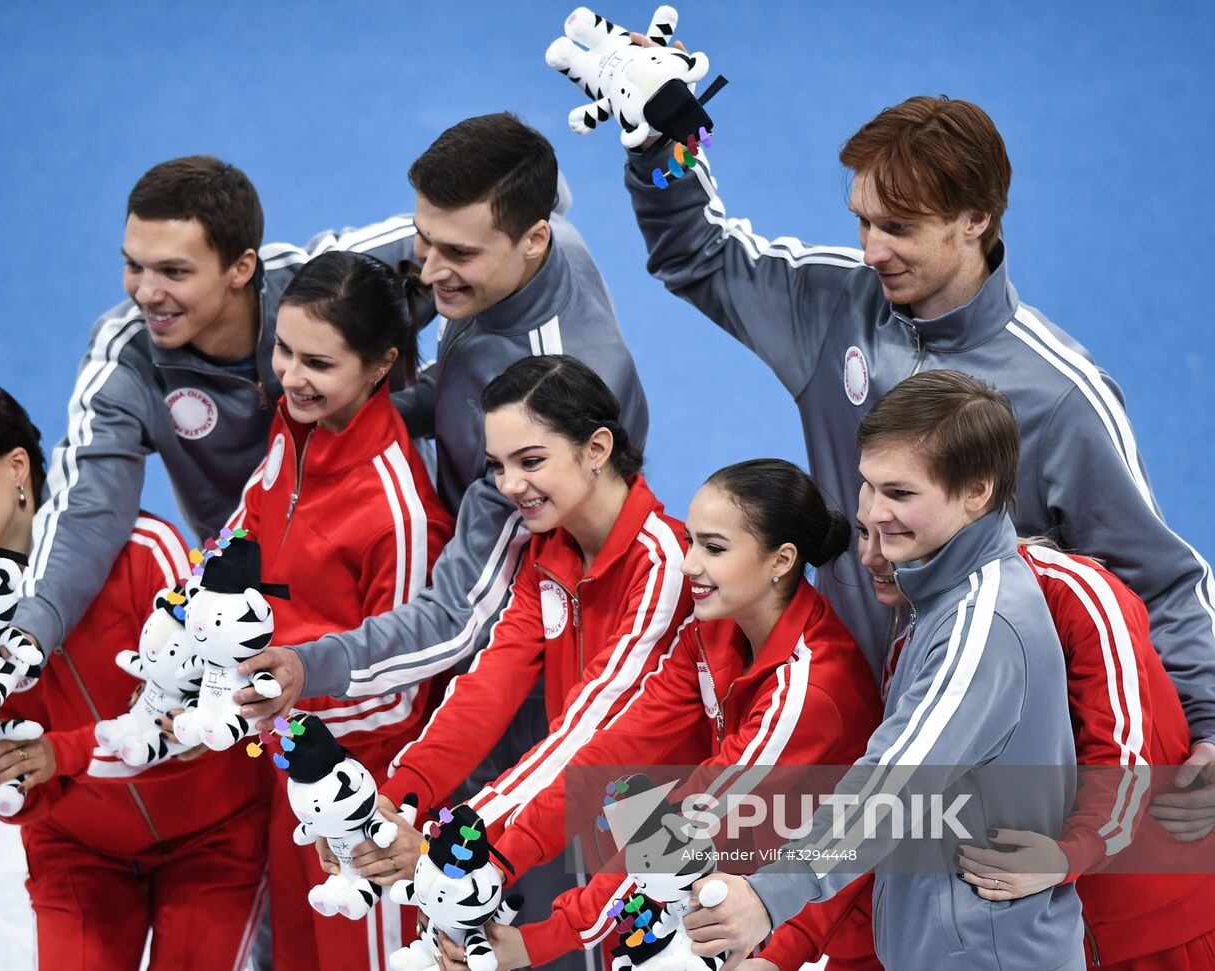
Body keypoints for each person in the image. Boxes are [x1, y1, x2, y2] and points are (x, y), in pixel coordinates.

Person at [619, 79, 1215, 812]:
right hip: (835, 705)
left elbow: (1158, 579)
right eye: (863, 222)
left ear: (976, 219)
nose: (870, 250)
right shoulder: (837, 300)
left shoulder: (1060, 395)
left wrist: (1209, 720)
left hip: (969, 752)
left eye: (897, 228)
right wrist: (662, 149)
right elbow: (699, 254)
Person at [236, 114, 649, 958]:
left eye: (456, 255)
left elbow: (456, 617)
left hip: (559, 653)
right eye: (426, 240)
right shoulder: (548, 231)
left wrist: (310, 665)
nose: (428, 270)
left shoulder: (533, 400)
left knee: (523, 912)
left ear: (531, 240)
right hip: (528, 608)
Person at [689, 371, 1082, 970]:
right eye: (868, 486)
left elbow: (892, 786)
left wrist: (768, 899)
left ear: (977, 492)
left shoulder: (981, 625)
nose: (874, 511)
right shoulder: (942, 600)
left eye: (900, 494)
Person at [444, 459, 884, 971]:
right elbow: (615, 748)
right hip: (728, 900)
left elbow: (683, 829)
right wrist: (498, 856)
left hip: (817, 937)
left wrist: (537, 942)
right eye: (691, 541)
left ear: (780, 560)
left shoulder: (807, 692)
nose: (688, 564)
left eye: (714, 548)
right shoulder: (710, 630)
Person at [0, 380, 270, 971]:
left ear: (17, 468)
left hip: (213, 842)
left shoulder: (146, 552)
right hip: (76, 854)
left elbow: (197, 727)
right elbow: (19, 771)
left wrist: (63, 753)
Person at [9, 153, 422, 661]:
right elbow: (87, 506)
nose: (146, 292)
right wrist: (29, 630)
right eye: (133, 265)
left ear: (241, 267)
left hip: (380, 568)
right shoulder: (129, 357)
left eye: (174, 271)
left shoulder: (331, 288)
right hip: (249, 607)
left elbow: (483, 219)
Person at [349, 356, 687, 899]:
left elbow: (588, 729)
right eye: (497, 465)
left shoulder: (665, 563)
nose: (510, 484)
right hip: (597, 809)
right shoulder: (548, 553)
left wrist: (454, 838)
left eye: (530, 460)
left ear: (596, 449)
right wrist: (397, 799)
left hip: (680, 829)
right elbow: (487, 688)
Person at [222, 250, 455, 970]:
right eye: (285, 349)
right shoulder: (293, 428)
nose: (291, 375)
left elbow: (400, 695)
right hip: (294, 770)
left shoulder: (399, 509)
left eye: (319, 363)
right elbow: (249, 527)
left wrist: (278, 709)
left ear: (381, 364)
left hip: (367, 799)